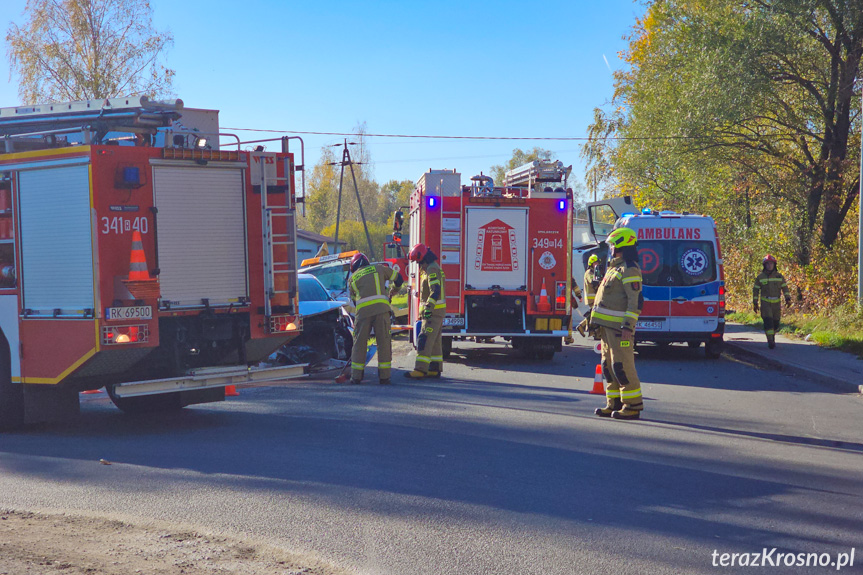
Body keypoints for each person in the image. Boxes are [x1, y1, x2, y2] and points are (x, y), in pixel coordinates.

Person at [589, 228, 645, 420]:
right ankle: (614, 402)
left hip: (620, 330)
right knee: (608, 366)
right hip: (607, 329)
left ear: (622, 245)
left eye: (613, 245)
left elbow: (635, 301)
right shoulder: (614, 267)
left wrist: (628, 326)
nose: (611, 248)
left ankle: (633, 405)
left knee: (622, 365)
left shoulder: (629, 268)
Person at [348, 252, 402, 385]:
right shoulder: (379, 268)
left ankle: (356, 377)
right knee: (384, 342)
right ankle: (384, 377)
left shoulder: (352, 279)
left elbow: (355, 301)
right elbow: (399, 278)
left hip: (363, 314)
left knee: (359, 344)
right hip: (381, 311)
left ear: (354, 267)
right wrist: (394, 290)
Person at [405, 243, 446, 379]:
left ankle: (420, 370)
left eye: (418, 261)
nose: (418, 264)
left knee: (424, 339)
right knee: (434, 341)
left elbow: (435, 290)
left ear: (422, 258)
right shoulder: (432, 267)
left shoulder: (431, 269)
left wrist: (428, 308)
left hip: (432, 312)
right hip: (438, 311)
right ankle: (434, 368)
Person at [752, 254, 791, 349]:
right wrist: (755, 302)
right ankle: (770, 341)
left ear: (774, 265)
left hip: (776, 304)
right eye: (767, 264)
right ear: (764, 265)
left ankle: (772, 336)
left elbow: (784, 288)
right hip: (765, 303)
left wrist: (788, 298)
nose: (769, 266)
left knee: (776, 323)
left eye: (771, 264)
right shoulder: (760, 277)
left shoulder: (779, 276)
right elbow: (756, 290)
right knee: (768, 322)